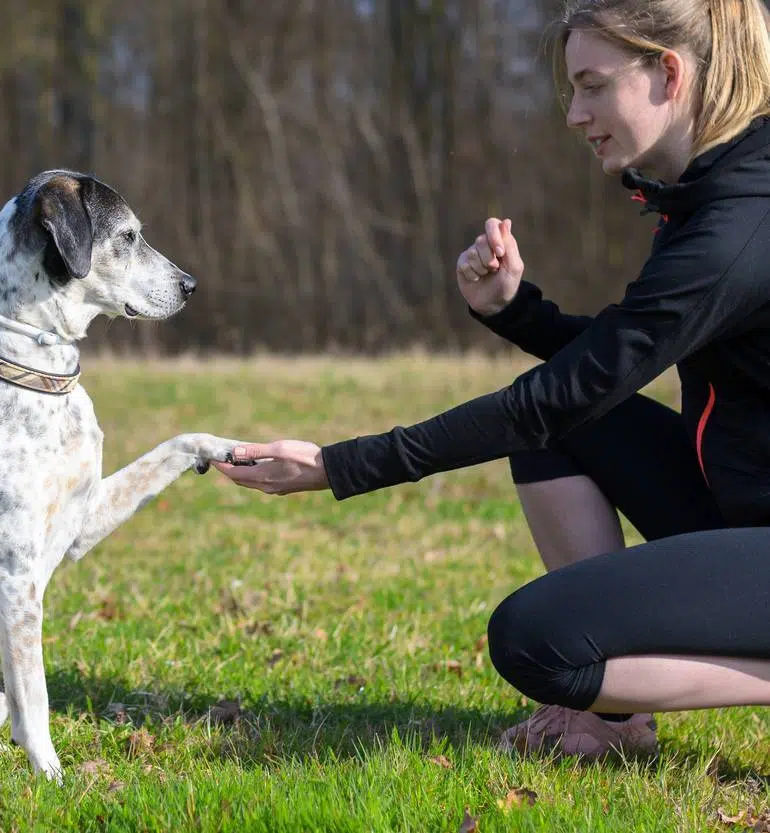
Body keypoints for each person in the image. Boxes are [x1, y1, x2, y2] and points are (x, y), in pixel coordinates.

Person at [212, 0, 770, 759]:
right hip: (742, 510)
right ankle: (616, 722)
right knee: (565, 435)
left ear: (668, 73)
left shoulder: (738, 225)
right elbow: (603, 370)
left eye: (592, 85)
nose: (575, 114)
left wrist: (339, 464)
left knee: (537, 643)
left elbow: (555, 395)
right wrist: (518, 312)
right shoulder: (716, 192)